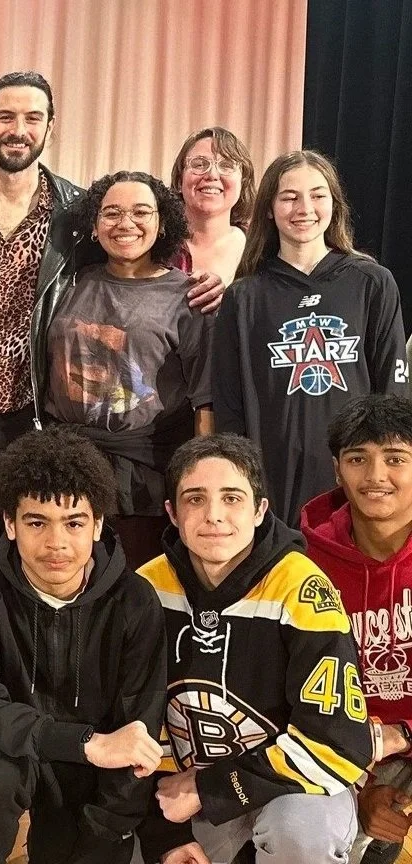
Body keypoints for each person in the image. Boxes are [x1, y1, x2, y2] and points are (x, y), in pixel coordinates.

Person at [0, 71, 225, 551]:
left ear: (50, 126)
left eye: (32, 117)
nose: (18, 129)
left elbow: (138, 273)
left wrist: (210, 281)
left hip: (32, 418)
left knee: (25, 561)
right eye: (5, 116)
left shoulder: (74, 215)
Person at [138, 434, 372, 864]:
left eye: (232, 498)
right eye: (195, 499)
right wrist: (165, 835)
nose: (214, 515)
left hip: (291, 789)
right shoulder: (144, 589)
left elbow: (338, 745)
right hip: (184, 791)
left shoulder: (301, 587)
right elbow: (133, 722)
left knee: (301, 835)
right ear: (171, 512)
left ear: (260, 510)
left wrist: (214, 789)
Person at [0, 427, 165, 864]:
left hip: (94, 767)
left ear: (97, 524)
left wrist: (106, 830)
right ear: (10, 524)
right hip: (15, 751)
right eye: (36, 522)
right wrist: (82, 742)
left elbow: (136, 734)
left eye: (74, 523)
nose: (56, 543)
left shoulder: (135, 600)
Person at [213, 150, 408, 529]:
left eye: (318, 195)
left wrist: (385, 472)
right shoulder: (243, 297)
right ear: (269, 209)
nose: (304, 208)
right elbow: (229, 406)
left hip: (355, 481)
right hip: (271, 483)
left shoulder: (372, 283)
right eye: (289, 197)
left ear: (334, 204)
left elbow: (392, 394)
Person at [47, 171, 212, 568]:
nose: (126, 223)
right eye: (112, 213)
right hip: (66, 467)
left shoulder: (189, 297)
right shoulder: (64, 283)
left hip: (146, 476)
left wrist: (200, 477)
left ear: (162, 222)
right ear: (94, 225)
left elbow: (206, 398)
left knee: (137, 587)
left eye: (141, 212)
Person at [300, 396, 412, 863]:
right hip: (342, 754)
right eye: (358, 459)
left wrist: (404, 734)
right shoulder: (302, 564)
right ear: (336, 470)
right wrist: (361, 786)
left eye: (396, 459)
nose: (375, 476)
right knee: (311, 834)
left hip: (404, 736)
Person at [169, 127, 255, 285]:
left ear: (243, 182)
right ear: (180, 180)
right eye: (199, 164)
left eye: (226, 165)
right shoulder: (154, 246)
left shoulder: (262, 248)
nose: (212, 175)